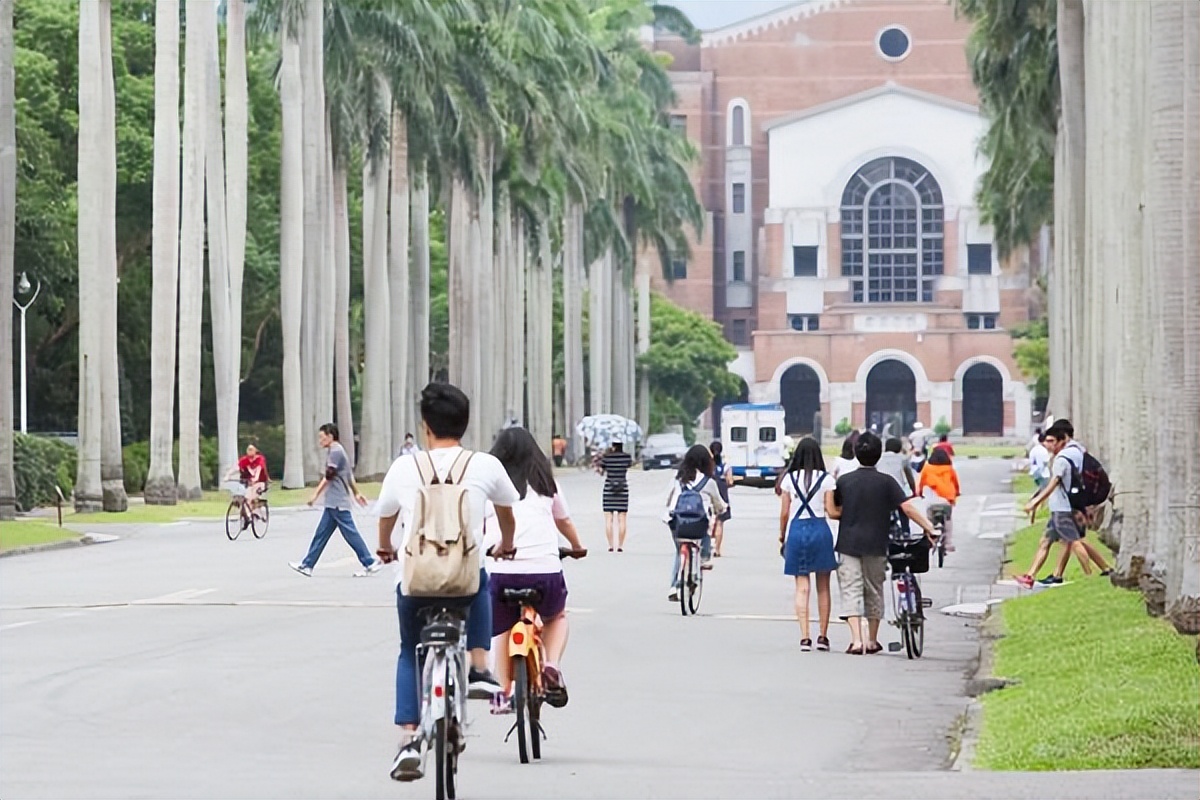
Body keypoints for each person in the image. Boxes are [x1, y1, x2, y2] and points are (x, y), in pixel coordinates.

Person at [374, 383, 520, 782]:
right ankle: (478, 666)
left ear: (425, 427)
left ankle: (408, 739)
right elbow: (507, 514)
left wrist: (385, 547)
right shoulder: (485, 465)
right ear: (465, 424)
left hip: (415, 581)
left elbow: (386, 517)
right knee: (482, 580)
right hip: (463, 580)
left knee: (409, 649)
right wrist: (506, 544)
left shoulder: (405, 467)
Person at [483, 427, 586, 714]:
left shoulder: (490, 486)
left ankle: (503, 692)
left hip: (500, 573)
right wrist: (577, 546)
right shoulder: (545, 483)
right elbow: (564, 522)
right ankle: (551, 665)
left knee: (503, 628)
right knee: (557, 616)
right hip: (545, 573)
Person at [827, 432, 937, 655]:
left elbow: (835, 511)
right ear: (879, 455)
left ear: (856, 454)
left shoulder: (844, 481)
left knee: (850, 588)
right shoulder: (887, 482)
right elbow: (907, 508)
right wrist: (929, 527)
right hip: (877, 543)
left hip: (848, 543)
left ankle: (856, 640)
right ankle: (872, 639)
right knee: (874, 588)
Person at [1016, 420, 1110, 588]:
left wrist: (1036, 502)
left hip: (1063, 508)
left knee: (1075, 541)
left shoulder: (1062, 458)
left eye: (1052, 441)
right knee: (1048, 541)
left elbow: (1054, 482)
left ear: (1063, 439)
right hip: (1067, 505)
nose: (1048, 445)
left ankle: (1092, 574)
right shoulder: (1078, 451)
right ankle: (1032, 576)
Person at [289, 424, 380, 578]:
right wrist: (356, 493)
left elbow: (329, 476)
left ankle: (369, 562)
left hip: (337, 502)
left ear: (330, 436)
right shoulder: (338, 450)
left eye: (322, 437)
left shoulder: (335, 452)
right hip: (334, 502)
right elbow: (348, 476)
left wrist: (315, 496)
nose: (320, 440)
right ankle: (307, 565)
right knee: (321, 535)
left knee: (350, 534)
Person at [778, 437, 837, 651]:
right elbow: (831, 510)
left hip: (797, 529)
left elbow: (785, 513)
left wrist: (782, 535)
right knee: (824, 587)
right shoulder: (827, 479)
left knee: (802, 587)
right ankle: (823, 636)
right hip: (820, 528)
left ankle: (805, 637)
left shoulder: (789, 479)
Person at [663, 445, 727, 601]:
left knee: (679, 550)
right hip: (698, 523)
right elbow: (719, 504)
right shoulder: (709, 482)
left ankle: (674, 586)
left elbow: (668, 499)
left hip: (676, 521)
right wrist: (721, 509)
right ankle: (703, 559)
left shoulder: (677, 479)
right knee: (704, 532)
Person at [917, 447, 960, 552]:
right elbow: (955, 483)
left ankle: (928, 539)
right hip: (947, 500)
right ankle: (948, 543)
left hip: (932, 502)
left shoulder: (927, 468)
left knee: (928, 520)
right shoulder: (949, 469)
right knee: (948, 520)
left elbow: (921, 483)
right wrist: (957, 493)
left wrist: (919, 493)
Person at [222, 443, 268, 526]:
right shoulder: (244, 460)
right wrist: (228, 476)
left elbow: (258, 469)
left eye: (252, 449)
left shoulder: (259, 459)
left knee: (249, 497)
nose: (250, 451)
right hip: (247, 482)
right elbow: (236, 468)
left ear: (255, 450)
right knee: (240, 496)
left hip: (259, 482)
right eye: (248, 449)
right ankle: (244, 513)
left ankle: (252, 514)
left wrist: (255, 478)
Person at [600, 441, 633, 552]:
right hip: (622, 488)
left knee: (608, 519)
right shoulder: (626, 457)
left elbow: (601, 469)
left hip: (609, 488)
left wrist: (607, 452)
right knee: (622, 518)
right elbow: (629, 465)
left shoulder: (606, 457)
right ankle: (620, 546)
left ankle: (610, 545)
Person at [709, 440, 734, 557]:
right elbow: (730, 481)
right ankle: (717, 549)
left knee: (708, 520)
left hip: (709, 492)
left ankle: (707, 546)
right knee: (720, 522)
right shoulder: (725, 465)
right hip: (722, 494)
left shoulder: (707, 464)